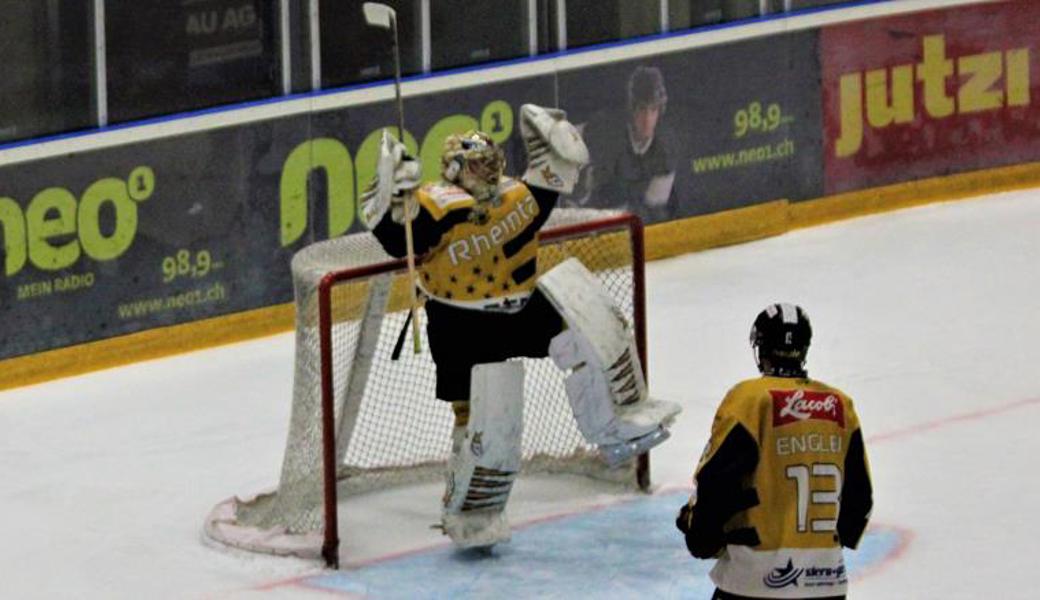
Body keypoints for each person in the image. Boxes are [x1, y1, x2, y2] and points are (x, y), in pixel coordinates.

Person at [359, 104, 681, 549]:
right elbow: (394, 235)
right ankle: (470, 508)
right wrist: (390, 194)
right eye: (477, 166)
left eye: (491, 163)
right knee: (481, 422)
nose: (488, 172)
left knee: (584, 318)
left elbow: (563, 162)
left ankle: (615, 419)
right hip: (461, 326)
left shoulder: (514, 193)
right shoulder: (432, 206)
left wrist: (548, 129)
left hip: (522, 308)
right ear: (455, 170)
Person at [676, 303, 873, 599]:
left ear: (761, 348)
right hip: (827, 583)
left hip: (754, 581)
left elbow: (717, 482)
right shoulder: (840, 404)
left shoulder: (750, 399)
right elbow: (860, 500)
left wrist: (700, 536)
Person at [575, 65, 678, 223]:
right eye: (642, 109)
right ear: (632, 109)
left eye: (653, 110)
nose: (647, 120)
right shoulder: (605, 129)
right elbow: (565, 140)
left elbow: (654, 211)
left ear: (660, 111)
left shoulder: (665, 151)